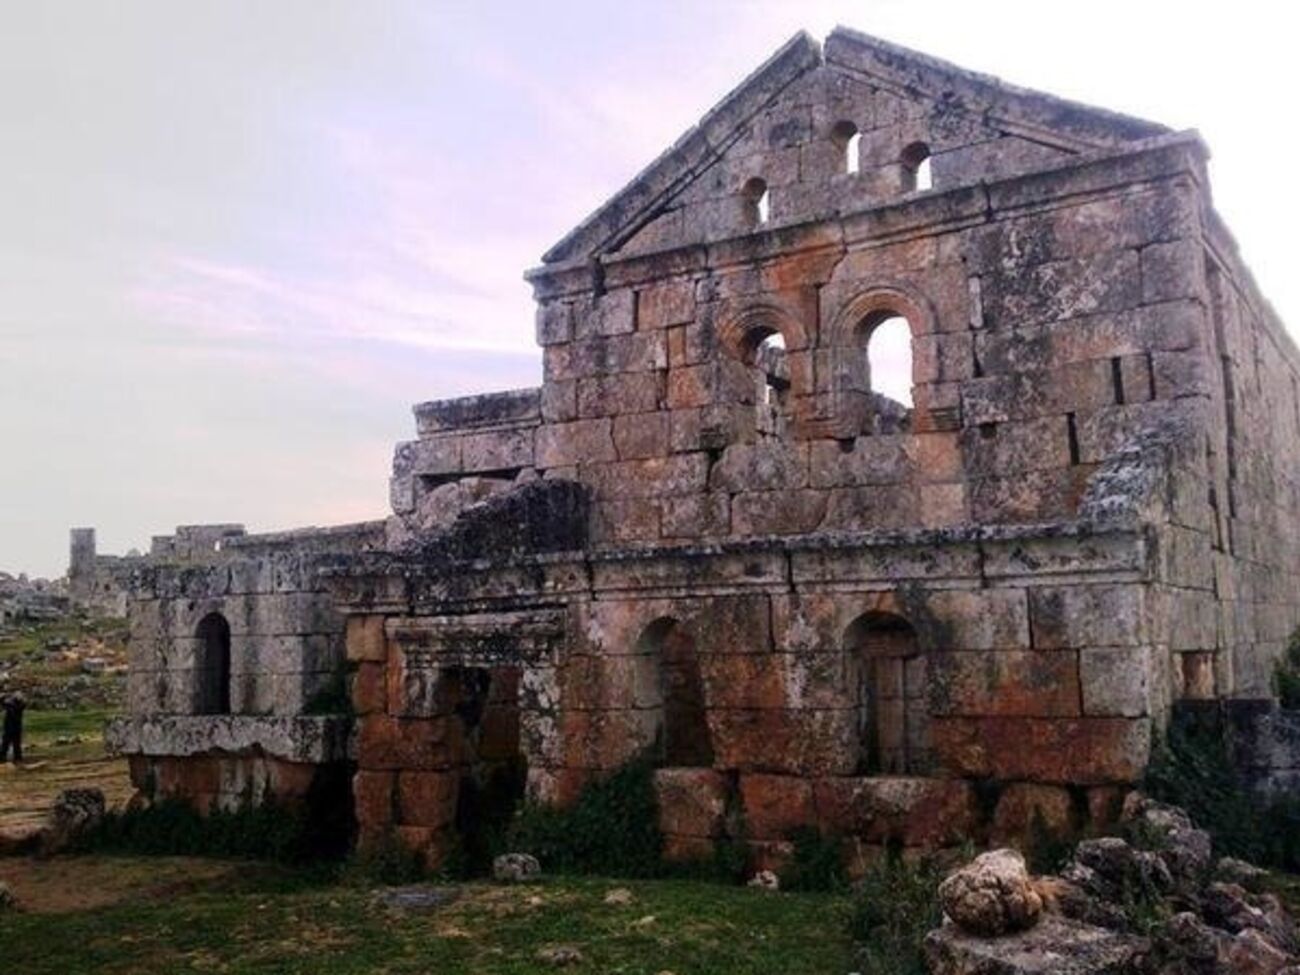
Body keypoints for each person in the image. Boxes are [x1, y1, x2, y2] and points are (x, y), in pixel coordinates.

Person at [1, 692, 25, 763]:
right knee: (7, 743)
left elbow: (7, 703)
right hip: (11, 727)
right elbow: (4, 703)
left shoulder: (19, 705)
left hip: (13, 727)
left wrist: (3, 697)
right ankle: (3, 756)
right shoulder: (12, 705)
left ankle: (17, 758)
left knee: (15, 743)